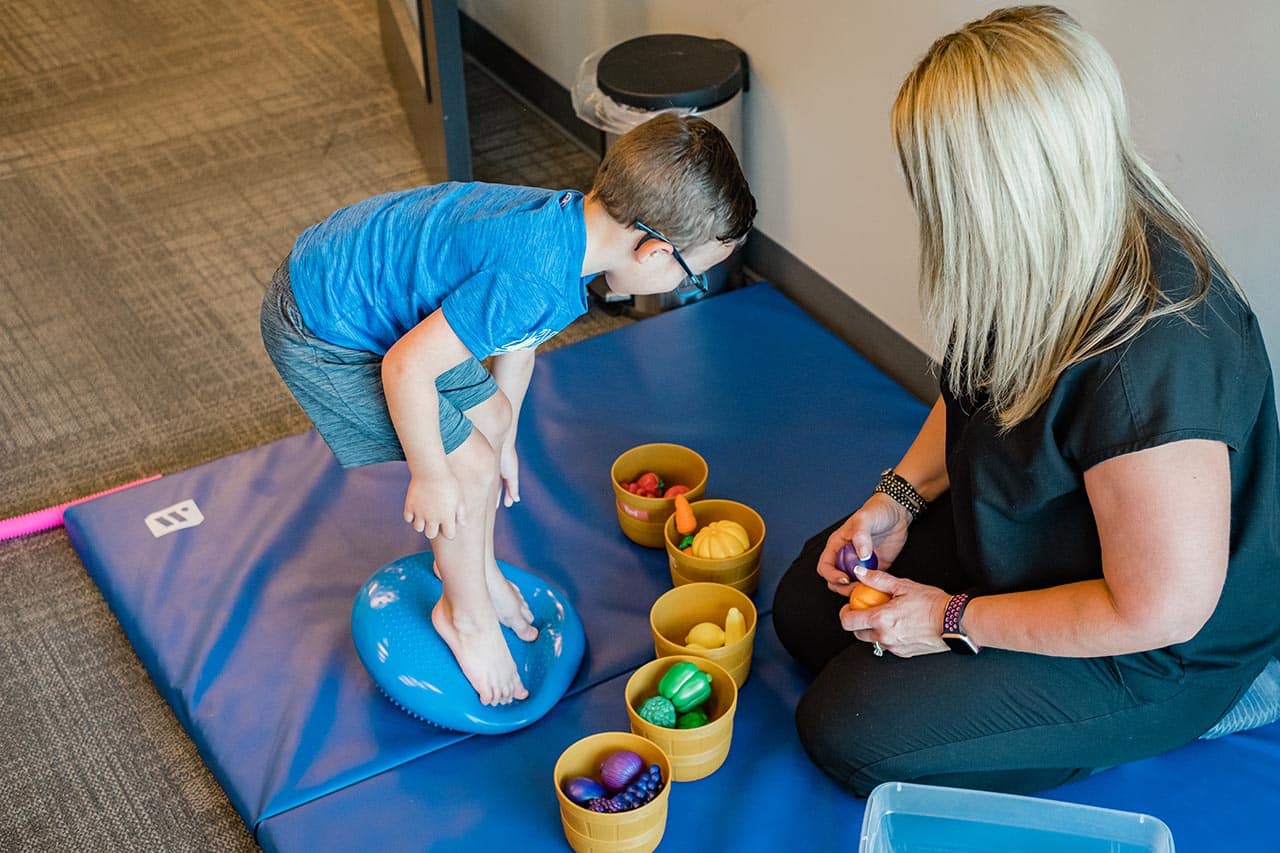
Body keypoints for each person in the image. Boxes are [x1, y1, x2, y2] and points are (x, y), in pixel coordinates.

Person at [772, 4, 1279, 796]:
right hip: (1042, 538)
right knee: (808, 609)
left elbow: (1159, 611)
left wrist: (949, 618)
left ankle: (1222, 699)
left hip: (1149, 643)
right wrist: (896, 499)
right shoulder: (1028, 254)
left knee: (848, 733)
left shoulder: (1152, 361)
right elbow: (973, 390)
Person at [262, 113, 755, 706]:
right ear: (652, 253)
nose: (683, 288)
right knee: (463, 467)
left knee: (488, 430)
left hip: (371, 295)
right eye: (689, 279)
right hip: (323, 331)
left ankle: (473, 570)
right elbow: (405, 369)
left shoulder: (571, 229)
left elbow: (519, 340)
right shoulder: (533, 277)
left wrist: (505, 438)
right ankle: (464, 617)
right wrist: (432, 476)